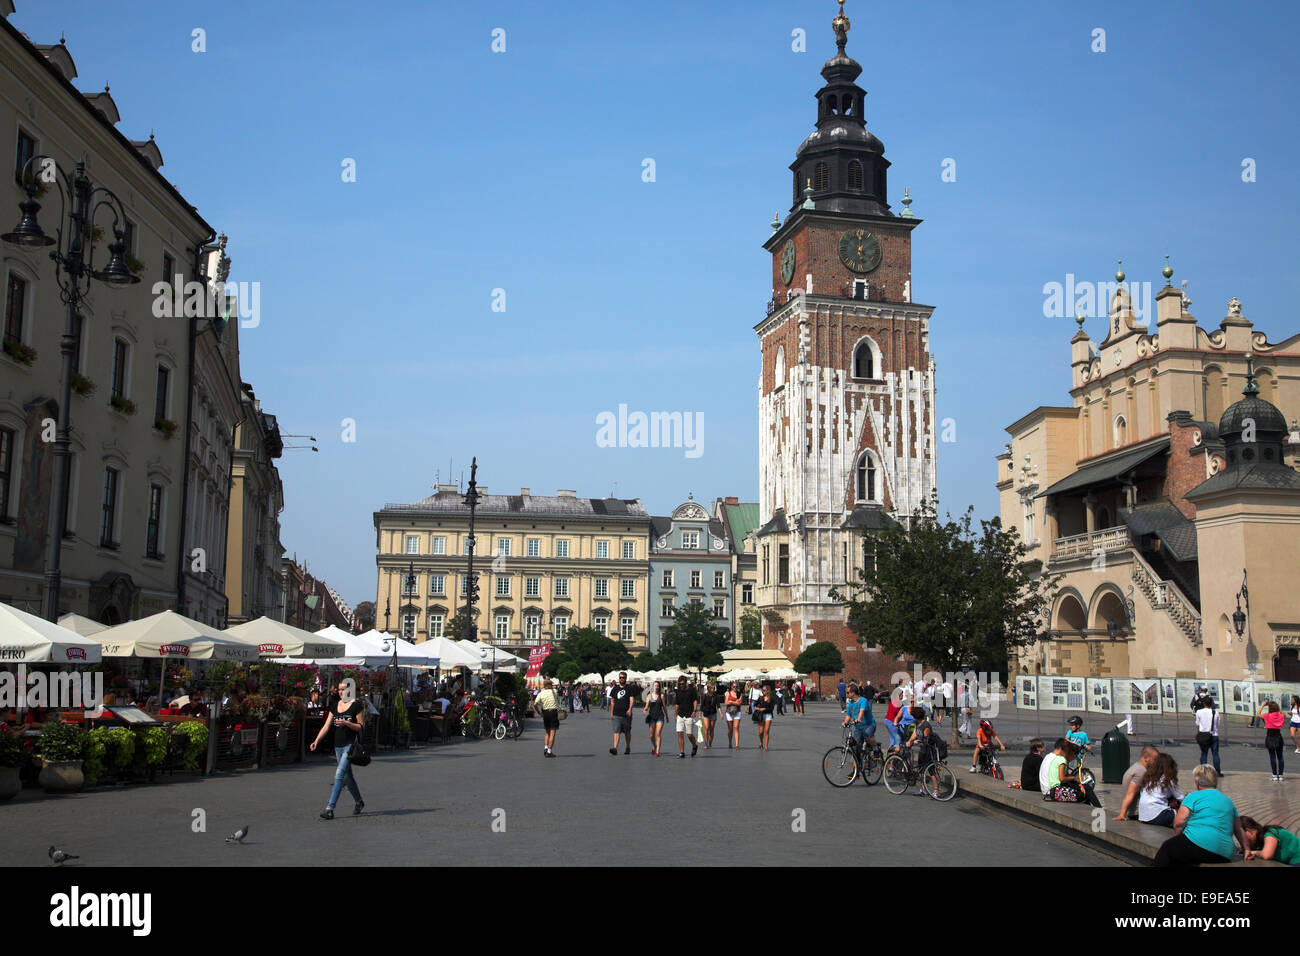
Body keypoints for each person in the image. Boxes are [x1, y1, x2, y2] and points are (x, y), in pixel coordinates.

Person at [1153, 764, 1250, 867]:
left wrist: (1179, 839)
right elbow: (1238, 829)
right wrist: (1247, 849)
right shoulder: (1228, 801)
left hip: (1199, 846)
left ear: (1197, 782)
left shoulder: (1193, 796)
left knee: (1168, 847)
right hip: (1224, 854)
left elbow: (1178, 823)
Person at [310, 680, 365, 820]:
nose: (340, 692)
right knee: (347, 777)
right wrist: (316, 740)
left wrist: (347, 723)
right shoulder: (335, 705)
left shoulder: (356, 705)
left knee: (339, 775)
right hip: (338, 746)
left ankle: (330, 808)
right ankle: (359, 802)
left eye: (343, 689)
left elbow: (361, 726)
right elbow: (327, 726)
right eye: (339, 690)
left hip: (350, 745)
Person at [1114, 745, 1161, 821]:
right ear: (1146, 758)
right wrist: (1122, 814)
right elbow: (1130, 793)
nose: (1156, 762)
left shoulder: (1136, 767)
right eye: (1154, 759)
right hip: (1136, 813)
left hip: (1135, 812)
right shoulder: (1141, 771)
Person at [1136, 754, 1184, 827]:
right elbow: (1181, 798)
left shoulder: (1148, 778)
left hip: (1144, 816)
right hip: (1157, 814)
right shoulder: (1168, 779)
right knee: (1184, 814)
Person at [841, 683, 875, 755]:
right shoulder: (850, 703)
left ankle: (876, 749)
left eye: (848, 692)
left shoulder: (863, 700)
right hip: (858, 727)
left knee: (867, 736)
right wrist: (845, 722)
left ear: (853, 693)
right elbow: (848, 715)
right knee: (855, 747)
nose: (846, 694)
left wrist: (858, 718)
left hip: (869, 725)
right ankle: (858, 763)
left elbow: (861, 710)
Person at [608, 672, 634, 756]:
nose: (621, 679)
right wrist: (611, 713)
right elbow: (612, 702)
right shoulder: (615, 689)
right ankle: (615, 748)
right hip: (616, 714)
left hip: (626, 715)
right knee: (616, 731)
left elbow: (631, 700)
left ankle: (628, 747)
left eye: (623, 677)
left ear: (626, 678)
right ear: (618, 678)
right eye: (620, 677)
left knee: (627, 732)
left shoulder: (629, 688)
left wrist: (630, 709)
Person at [534, 679, 561, 757]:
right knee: (552, 733)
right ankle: (549, 751)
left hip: (545, 713)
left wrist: (539, 712)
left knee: (547, 732)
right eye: (551, 685)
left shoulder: (541, 693)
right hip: (553, 712)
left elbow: (535, 704)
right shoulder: (554, 691)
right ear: (549, 685)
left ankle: (545, 747)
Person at [674, 676, 699, 758]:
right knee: (680, 733)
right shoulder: (678, 691)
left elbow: (695, 700)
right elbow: (677, 704)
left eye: (682, 683)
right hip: (680, 714)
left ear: (685, 683)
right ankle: (682, 752)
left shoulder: (691, 690)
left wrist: (694, 711)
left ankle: (694, 746)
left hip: (689, 714)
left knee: (689, 734)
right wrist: (675, 715)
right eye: (680, 684)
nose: (681, 685)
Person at [1195, 698, 1221, 773]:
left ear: (1203, 704)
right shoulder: (1215, 712)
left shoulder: (1199, 712)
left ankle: (1203, 771)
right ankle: (1217, 771)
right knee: (1215, 754)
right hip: (1214, 735)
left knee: (1204, 753)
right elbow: (1218, 724)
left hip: (1203, 735)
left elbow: (1197, 723)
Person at [1263, 700, 1286, 780]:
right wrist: (1278, 709)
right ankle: (1281, 775)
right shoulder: (1281, 716)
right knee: (1280, 756)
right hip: (1278, 737)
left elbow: (1258, 714)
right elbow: (1283, 714)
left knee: (1272, 756)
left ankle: (1274, 775)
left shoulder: (1267, 716)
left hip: (1270, 737)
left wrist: (1263, 705)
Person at [643, 680, 667, 757]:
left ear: (659, 687)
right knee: (651, 735)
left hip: (660, 716)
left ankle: (657, 751)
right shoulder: (649, 696)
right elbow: (647, 706)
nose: (656, 687)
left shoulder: (662, 696)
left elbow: (664, 707)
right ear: (653, 687)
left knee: (658, 733)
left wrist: (667, 716)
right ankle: (654, 746)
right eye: (655, 685)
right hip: (652, 717)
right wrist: (645, 710)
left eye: (657, 686)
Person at [754, 684, 774, 751]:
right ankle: (761, 742)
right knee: (761, 732)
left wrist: (764, 709)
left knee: (766, 731)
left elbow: (771, 708)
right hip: (761, 715)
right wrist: (756, 708)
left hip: (768, 715)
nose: (763, 691)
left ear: (768, 691)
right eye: (762, 690)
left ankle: (766, 746)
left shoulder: (771, 698)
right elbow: (755, 704)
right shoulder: (761, 698)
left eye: (764, 690)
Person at [699, 682, 718, 749]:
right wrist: (699, 714)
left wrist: (721, 713)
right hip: (706, 714)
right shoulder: (705, 696)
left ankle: (710, 743)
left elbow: (718, 705)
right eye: (713, 688)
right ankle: (706, 744)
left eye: (714, 688)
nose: (714, 689)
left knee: (711, 729)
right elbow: (701, 705)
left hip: (713, 714)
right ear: (709, 689)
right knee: (706, 728)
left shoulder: (715, 696)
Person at [724, 683, 743, 749]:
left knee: (736, 727)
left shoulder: (739, 694)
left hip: (737, 712)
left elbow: (740, 703)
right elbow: (726, 702)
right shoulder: (728, 693)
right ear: (731, 687)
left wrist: (731, 702)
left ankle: (737, 744)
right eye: (734, 686)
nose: (735, 687)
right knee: (730, 729)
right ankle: (730, 742)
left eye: (736, 686)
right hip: (728, 712)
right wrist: (735, 702)